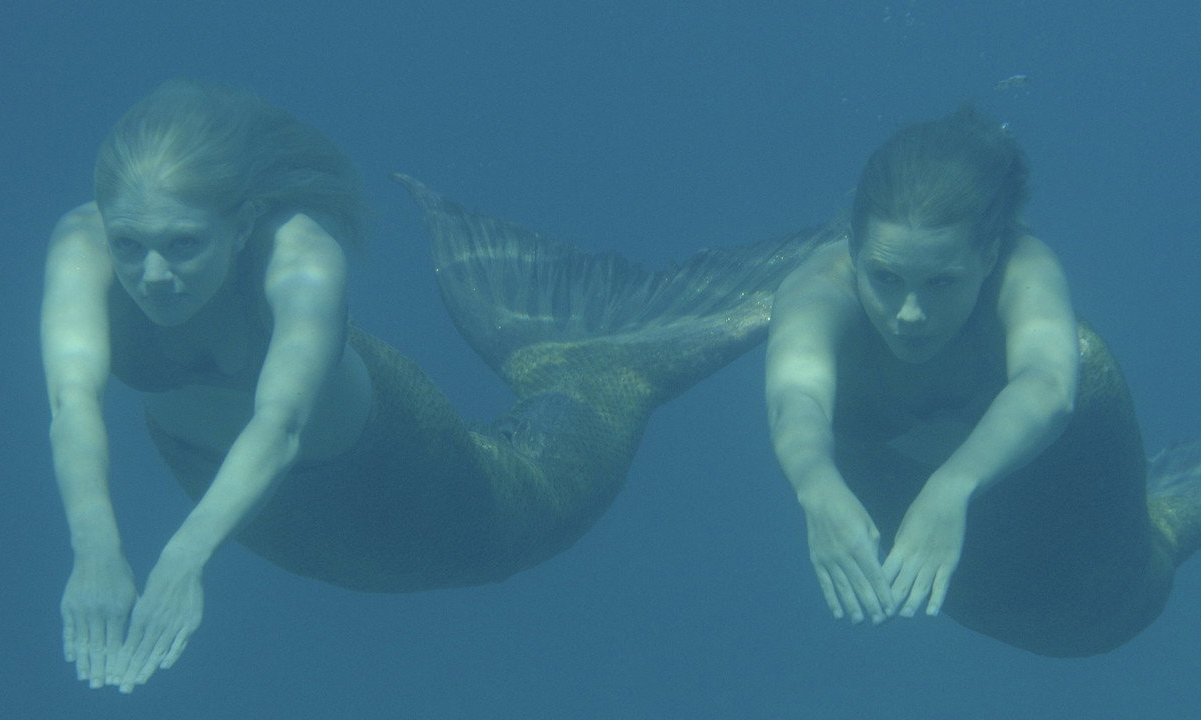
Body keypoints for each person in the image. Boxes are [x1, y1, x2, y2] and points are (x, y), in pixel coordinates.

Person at [41, 78, 832, 692]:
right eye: (130, 244)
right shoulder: (84, 245)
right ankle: (578, 353)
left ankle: (605, 357)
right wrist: (96, 551)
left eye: (183, 245)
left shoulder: (302, 258)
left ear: (242, 223)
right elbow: (72, 403)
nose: (153, 273)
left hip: (407, 489)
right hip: (247, 503)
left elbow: (279, 423)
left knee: (543, 498)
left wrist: (181, 561)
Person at [764, 105, 1201, 656]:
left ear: (990, 254)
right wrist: (816, 487)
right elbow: (796, 396)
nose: (909, 313)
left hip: (1102, 555)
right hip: (991, 592)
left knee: (1119, 588)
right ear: (853, 249)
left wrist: (951, 486)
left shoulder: (1025, 268)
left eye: (941, 282)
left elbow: (1047, 387)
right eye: (885, 277)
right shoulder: (817, 289)